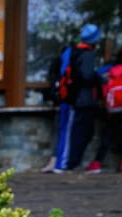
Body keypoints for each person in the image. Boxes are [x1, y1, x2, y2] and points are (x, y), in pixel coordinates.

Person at [87, 44, 122, 173]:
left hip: (113, 107)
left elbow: (102, 85)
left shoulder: (111, 71)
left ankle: (97, 162)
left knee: (108, 135)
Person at [64, 24, 103, 171]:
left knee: (79, 130)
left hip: (77, 97)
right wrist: (99, 79)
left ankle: (73, 161)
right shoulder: (87, 54)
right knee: (84, 131)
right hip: (86, 98)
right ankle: (74, 162)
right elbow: (87, 76)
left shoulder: (75, 52)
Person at [42, 44, 73, 173]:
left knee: (60, 132)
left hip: (60, 102)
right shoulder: (68, 62)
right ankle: (59, 162)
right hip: (67, 102)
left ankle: (56, 161)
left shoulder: (59, 62)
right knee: (64, 133)